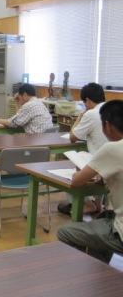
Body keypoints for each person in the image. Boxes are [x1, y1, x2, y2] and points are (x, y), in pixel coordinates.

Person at [57, 100, 123, 263]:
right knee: (101, 220)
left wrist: (77, 175)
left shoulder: (112, 149)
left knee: (65, 232)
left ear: (107, 125)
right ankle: (100, 274)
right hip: (114, 216)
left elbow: (76, 182)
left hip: (120, 233)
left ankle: (82, 275)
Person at [58, 83, 108, 215]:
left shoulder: (91, 114)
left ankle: (85, 204)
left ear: (87, 100)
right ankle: (97, 205)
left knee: (74, 164)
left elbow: (73, 137)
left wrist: (79, 117)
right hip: (112, 160)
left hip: (98, 163)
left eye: (84, 102)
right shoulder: (111, 110)